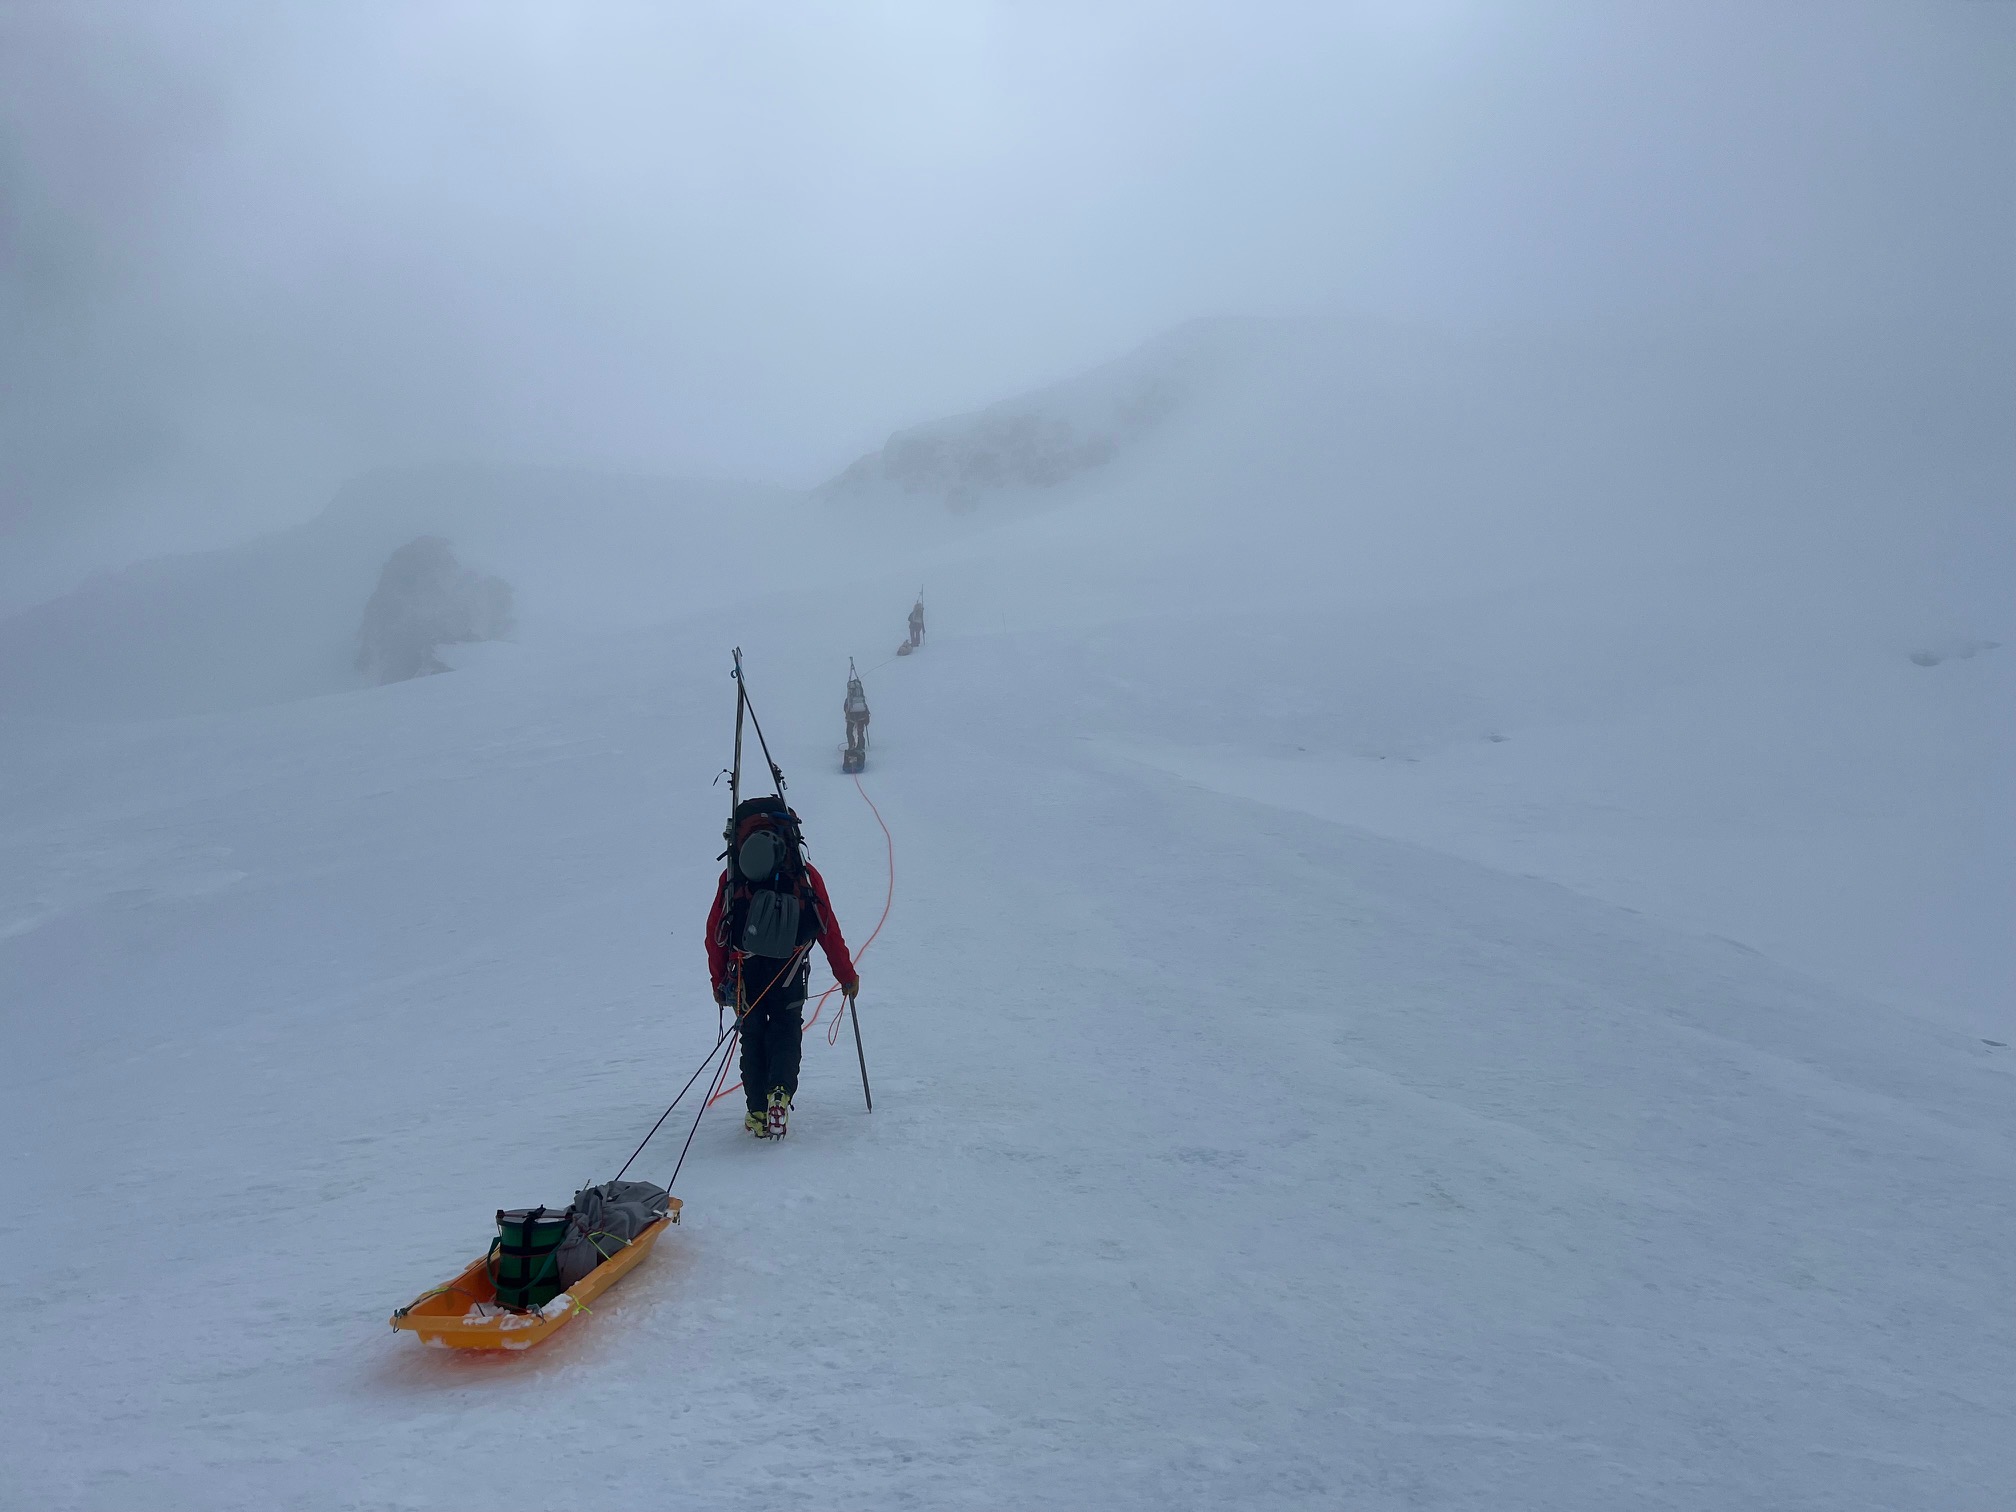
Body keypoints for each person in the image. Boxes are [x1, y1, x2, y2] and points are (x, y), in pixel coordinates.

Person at [705, 796, 858, 1137]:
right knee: (787, 1028)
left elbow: (715, 931)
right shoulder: (803, 874)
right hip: (790, 965)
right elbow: (826, 926)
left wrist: (718, 981)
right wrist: (845, 975)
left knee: (753, 1034)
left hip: (745, 969)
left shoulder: (733, 875)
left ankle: (757, 1111)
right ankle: (781, 1091)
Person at [843, 668, 870, 757]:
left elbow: (845, 707)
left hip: (851, 717)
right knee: (860, 732)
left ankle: (851, 745)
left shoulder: (849, 698)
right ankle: (861, 746)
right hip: (861, 716)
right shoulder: (861, 697)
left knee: (849, 731)